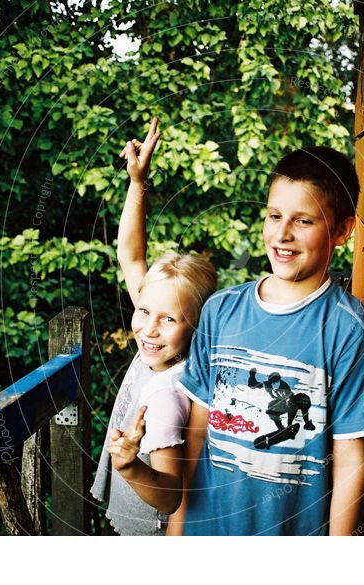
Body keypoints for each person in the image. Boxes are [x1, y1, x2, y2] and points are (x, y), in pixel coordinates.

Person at [169, 146, 364, 535]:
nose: (282, 234)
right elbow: (196, 432)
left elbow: (350, 454)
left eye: (303, 221)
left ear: (342, 231)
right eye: (274, 216)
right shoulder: (220, 310)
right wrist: (177, 528)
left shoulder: (346, 326)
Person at [90, 117, 217, 535]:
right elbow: (130, 254)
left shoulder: (167, 397)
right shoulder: (162, 344)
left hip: (151, 530)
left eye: (168, 319)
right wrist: (137, 182)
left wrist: (127, 465)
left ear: (195, 325)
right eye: (144, 311)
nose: (149, 329)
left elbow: (170, 496)